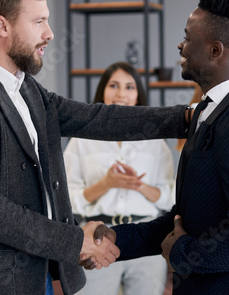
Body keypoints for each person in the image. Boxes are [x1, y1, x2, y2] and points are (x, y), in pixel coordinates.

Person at [0, 0, 189, 295]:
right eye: (38, 22)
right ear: (2, 26)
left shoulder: (27, 89)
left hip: (38, 277)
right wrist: (75, 242)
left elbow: (98, 118)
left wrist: (187, 118)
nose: (50, 34)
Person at [111, 0, 229, 294]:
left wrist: (181, 254)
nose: (181, 46)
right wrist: (115, 240)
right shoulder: (207, 113)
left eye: (188, 38)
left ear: (215, 50)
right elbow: (186, 220)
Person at [64, 62, 174, 295]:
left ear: (138, 95)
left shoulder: (155, 141)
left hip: (146, 239)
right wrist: (106, 185)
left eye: (129, 87)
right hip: (97, 238)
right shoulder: (81, 140)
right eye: (113, 85)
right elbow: (66, 198)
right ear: (102, 91)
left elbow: (171, 197)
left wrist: (140, 186)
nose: (121, 93)